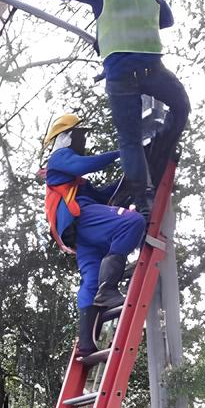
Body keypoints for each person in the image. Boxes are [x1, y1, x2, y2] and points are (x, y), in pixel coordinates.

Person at [44, 0, 189, 217]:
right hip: (152, 70)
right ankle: (162, 141)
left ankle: (142, 198)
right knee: (182, 106)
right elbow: (167, 20)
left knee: (130, 140)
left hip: (121, 76)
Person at [41, 113, 147, 358]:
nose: (83, 139)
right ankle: (108, 288)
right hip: (82, 220)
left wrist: (127, 181)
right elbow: (84, 165)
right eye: (80, 134)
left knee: (90, 279)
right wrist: (122, 152)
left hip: (79, 233)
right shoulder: (59, 159)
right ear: (67, 136)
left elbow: (101, 196)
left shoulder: (73, 180)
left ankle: (86, 342)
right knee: (133, 222)